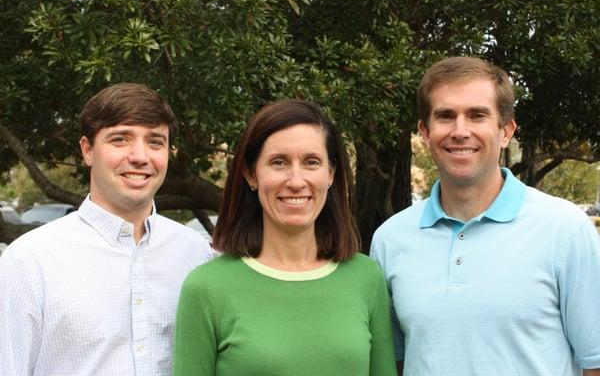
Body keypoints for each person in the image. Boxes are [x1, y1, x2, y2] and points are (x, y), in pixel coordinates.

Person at [371, 56, 600, 376]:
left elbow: (595, 363)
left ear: (505, 131)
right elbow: (394, 363)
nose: (460, 131)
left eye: (477, 115)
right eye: (446, 116)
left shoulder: (566, 230)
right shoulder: (389, 240)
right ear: (425, 132)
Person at [0, 83, 214, 375]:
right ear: (88, 150)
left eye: (155, 142)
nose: (140, 156)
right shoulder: (29, 261)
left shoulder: (195, 253)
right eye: (120, 139)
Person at [173, 99, 396, 375]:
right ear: (251, 174)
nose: (296, 180)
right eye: (278, 162)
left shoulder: (366, 277)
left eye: (311, 162)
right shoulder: (206, 288)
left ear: (331, 173)